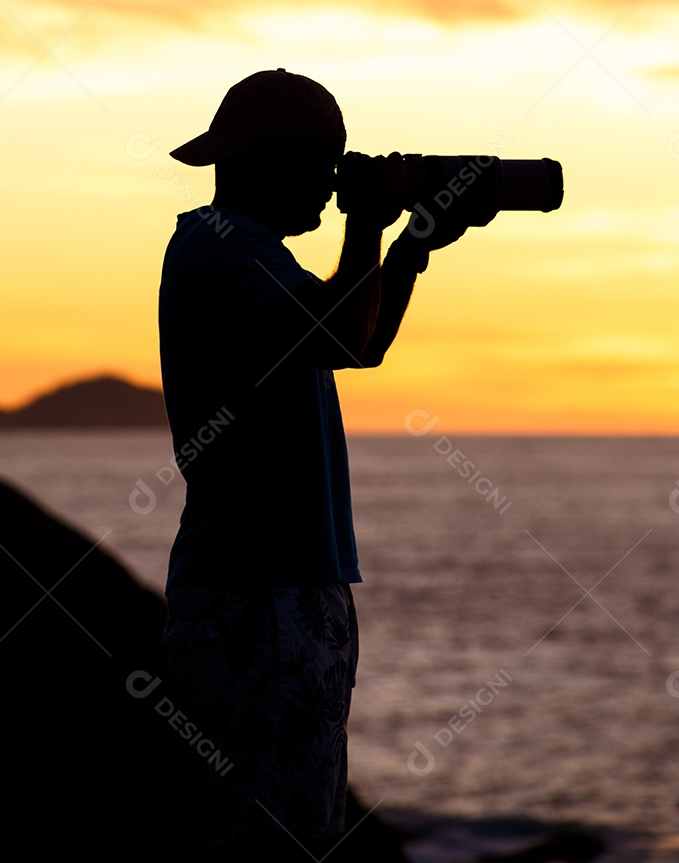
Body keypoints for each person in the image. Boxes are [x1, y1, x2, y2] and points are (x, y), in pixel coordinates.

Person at [158, 68, 467, 861]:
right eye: (325, 168)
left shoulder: (248, 255)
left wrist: (409, 250)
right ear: (269, 162)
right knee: (254, 837)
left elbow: (355, 343)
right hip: (253, 593)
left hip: (291, 585)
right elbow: (332, 335)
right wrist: (367, 227)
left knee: (302, 832)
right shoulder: (220, 246)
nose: (334, 190)